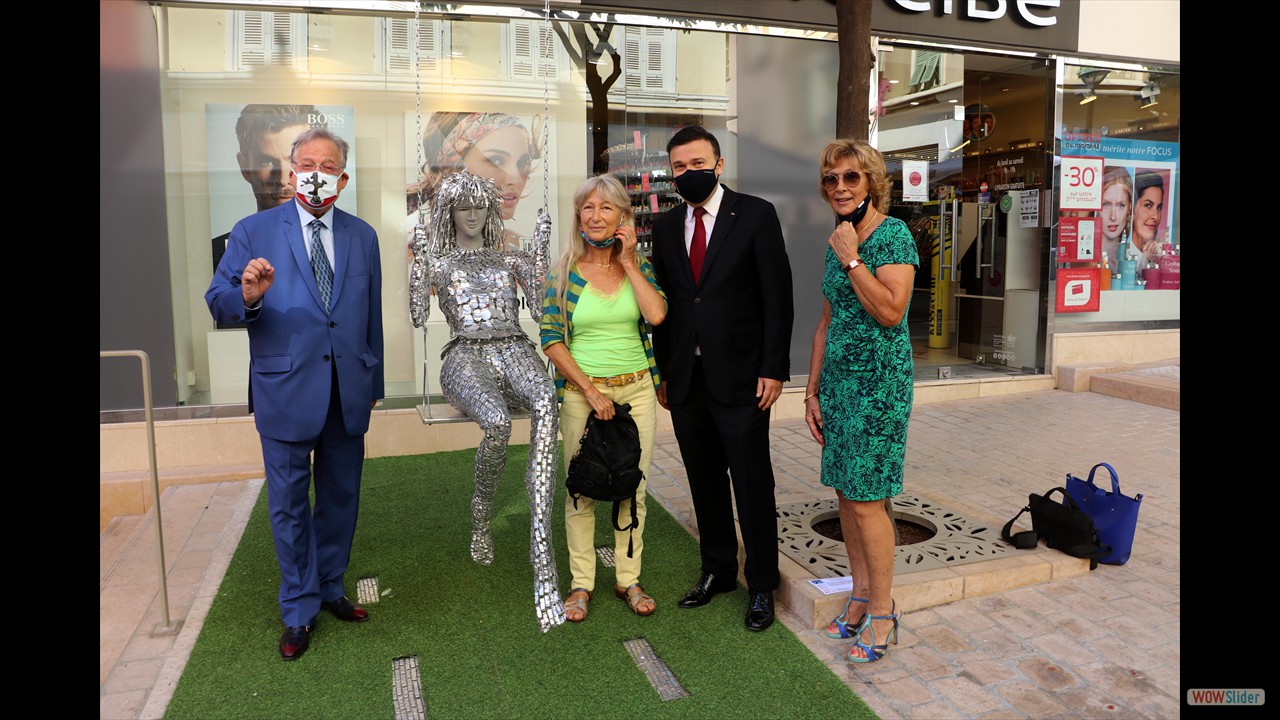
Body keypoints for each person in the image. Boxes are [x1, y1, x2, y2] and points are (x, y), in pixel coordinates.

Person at [205, 127, 384, 661]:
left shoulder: (363, 235)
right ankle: (298, 608)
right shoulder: (252, 231)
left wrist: (371, 382)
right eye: (306, 163)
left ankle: (330, 588)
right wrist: (248, 295)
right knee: (287, 505)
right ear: (290, 172)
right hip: (284, 390)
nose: (316, 173)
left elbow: (368, 314)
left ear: (342, 179)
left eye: (327, 166)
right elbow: (217, 302)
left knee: (340, 498)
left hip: (347, 391)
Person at [649, 125, 794, 632]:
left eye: (697, 164)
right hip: (687, 380)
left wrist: (774, 368)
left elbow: (778, 296)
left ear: (718, 164)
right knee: (703, 481)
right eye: (679, 167)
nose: (688, 174)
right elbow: (665, 306)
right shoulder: (666, 228)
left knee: (753, 484)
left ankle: (761, 587)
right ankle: (717, 571)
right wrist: (665, 373)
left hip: (743, 380)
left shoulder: (754, 214)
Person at [407, 170, 565, 633]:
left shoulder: (509, 259)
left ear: (492, 210)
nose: (473, 215)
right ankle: (480, 516)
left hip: (516, 346)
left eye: (480, 206)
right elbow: (418, 315)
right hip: (464, 355)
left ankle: (541, 540)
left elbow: (539, 310)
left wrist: (537, 257)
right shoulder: (439, 263)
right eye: (463, 207)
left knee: (545, 403)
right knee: (497, 422)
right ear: (448, 212)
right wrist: (419, 262)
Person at [803, 138, 917, 663]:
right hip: (841, 388)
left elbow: (891, 311)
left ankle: (886, 613)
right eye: (832, 180)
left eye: (851, 177)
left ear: (871, 182)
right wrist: (812, 390)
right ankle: (861, 597)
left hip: (879, 388)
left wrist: (851, 260)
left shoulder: (891, 237)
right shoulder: (837, 240)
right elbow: (826, 322)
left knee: (869, 501)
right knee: (847, 498)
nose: (841, 187)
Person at [539, 175, 667, 622]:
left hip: (637, 391)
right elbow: (552, 340)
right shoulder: (562, 272)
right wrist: (591, 392)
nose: (595, 216)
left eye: (606, 208)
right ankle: (581, 584)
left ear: (623, 218)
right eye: (587, 208)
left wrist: (630, 260)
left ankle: (628, 578)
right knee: (582, 489)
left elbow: (656, 314)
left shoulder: (640, 266)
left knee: (633, 485)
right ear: (578, 217)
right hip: (582, 395)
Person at [407, 111, 539, 253]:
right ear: (452, 168)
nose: (515, 179)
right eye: (496, 161)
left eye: (523, 162)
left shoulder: (517, 247)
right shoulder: (420, 249)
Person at [212, 104, 321, 270]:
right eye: (267, 162)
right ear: (244, 166)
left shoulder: (345, 241)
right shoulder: (220, 251)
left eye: (296, 162)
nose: (284, 179)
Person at [1130, 171, 1165, 265]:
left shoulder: (1155, 253)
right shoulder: (1118, 252)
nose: (1155, 216)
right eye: (1148, 205)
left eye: (1159, 208)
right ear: (1132, 208)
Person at [1098, 166, 1132, 263]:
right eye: (1106, 205)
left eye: (1121, 205)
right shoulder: (1086, 257)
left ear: (1129, 208)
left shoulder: (1134, 258)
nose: (1113, 217)